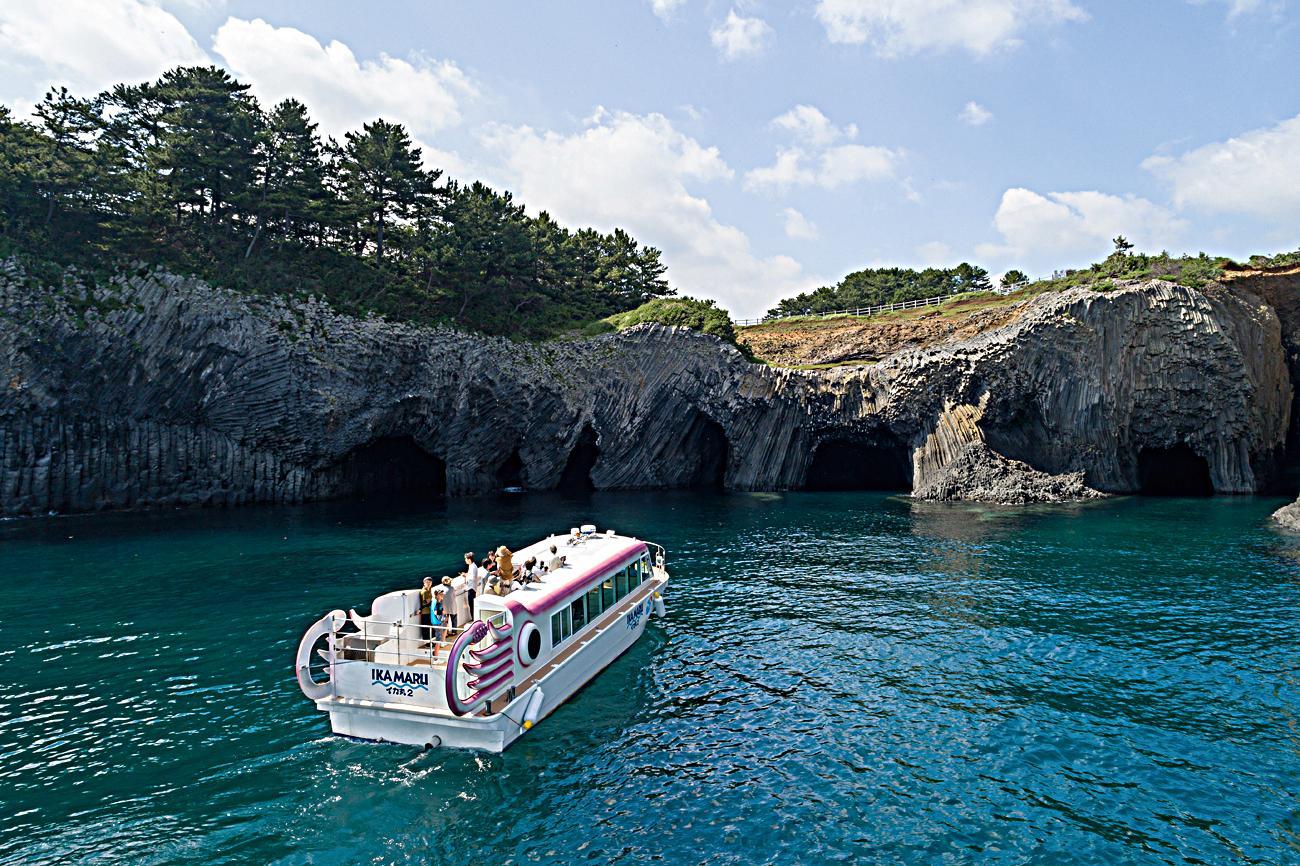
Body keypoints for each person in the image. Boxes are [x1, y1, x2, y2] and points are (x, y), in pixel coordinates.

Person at [417, 577, 435, 644]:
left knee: (430, 627)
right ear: (424, 583)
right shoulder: (425, 592)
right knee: (427, 627)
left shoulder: (429, 590)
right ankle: (428, 643)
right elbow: (427, 602)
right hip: (426, 612)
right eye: (427, 582)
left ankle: (431, 642)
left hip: (429, 611)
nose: (429, 584)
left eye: (430, 582)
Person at [463, 552, 480, 617]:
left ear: (469, 559)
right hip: (472, 587)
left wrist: (465, 576)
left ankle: (474, 618)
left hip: (471, 588)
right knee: (472, 604)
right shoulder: (472, 566)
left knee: (471, 605)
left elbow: (472, 578)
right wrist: (467, 575)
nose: (465, 560)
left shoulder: (472, 567)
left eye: (466, 559)